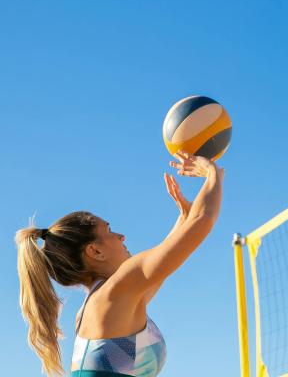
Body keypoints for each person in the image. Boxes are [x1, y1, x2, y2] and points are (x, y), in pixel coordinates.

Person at [15, 150, 224, 377]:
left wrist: (184, 219)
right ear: (95, 251)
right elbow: (202, 221)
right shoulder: (114, 293)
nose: (121, 236)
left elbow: (164, 264)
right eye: (110, 230)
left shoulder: (110, 299)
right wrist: (212, 174)